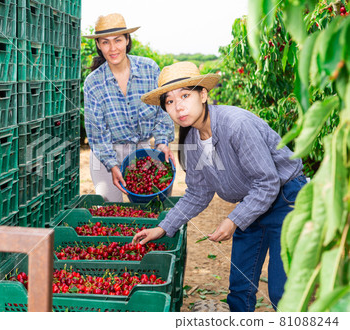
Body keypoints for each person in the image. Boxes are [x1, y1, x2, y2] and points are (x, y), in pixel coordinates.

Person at [132, 62, 306, 312]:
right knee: (240, 289)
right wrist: (163, 227)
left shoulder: (235, 125)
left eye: (185, 95)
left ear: (203, 95)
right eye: (169, 102)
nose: (178, 106)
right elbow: (198, 192)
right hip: (252, 203)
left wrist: (234, 220)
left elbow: (267, 183)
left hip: (285, 200)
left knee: (283, 292)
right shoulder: (192, 138)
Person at [83, 13, 175, 202]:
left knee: (152, 208)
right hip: (106, 153)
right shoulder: (93, 83)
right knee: (109, 205)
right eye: (105, 42)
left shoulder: (149, 69)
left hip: (141, 150)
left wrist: (162, 142)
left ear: (127, 40)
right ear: (99, 46)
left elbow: (162, 112)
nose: (112, 48)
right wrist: (113, 166)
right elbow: (97, 134)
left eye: (118, 40)